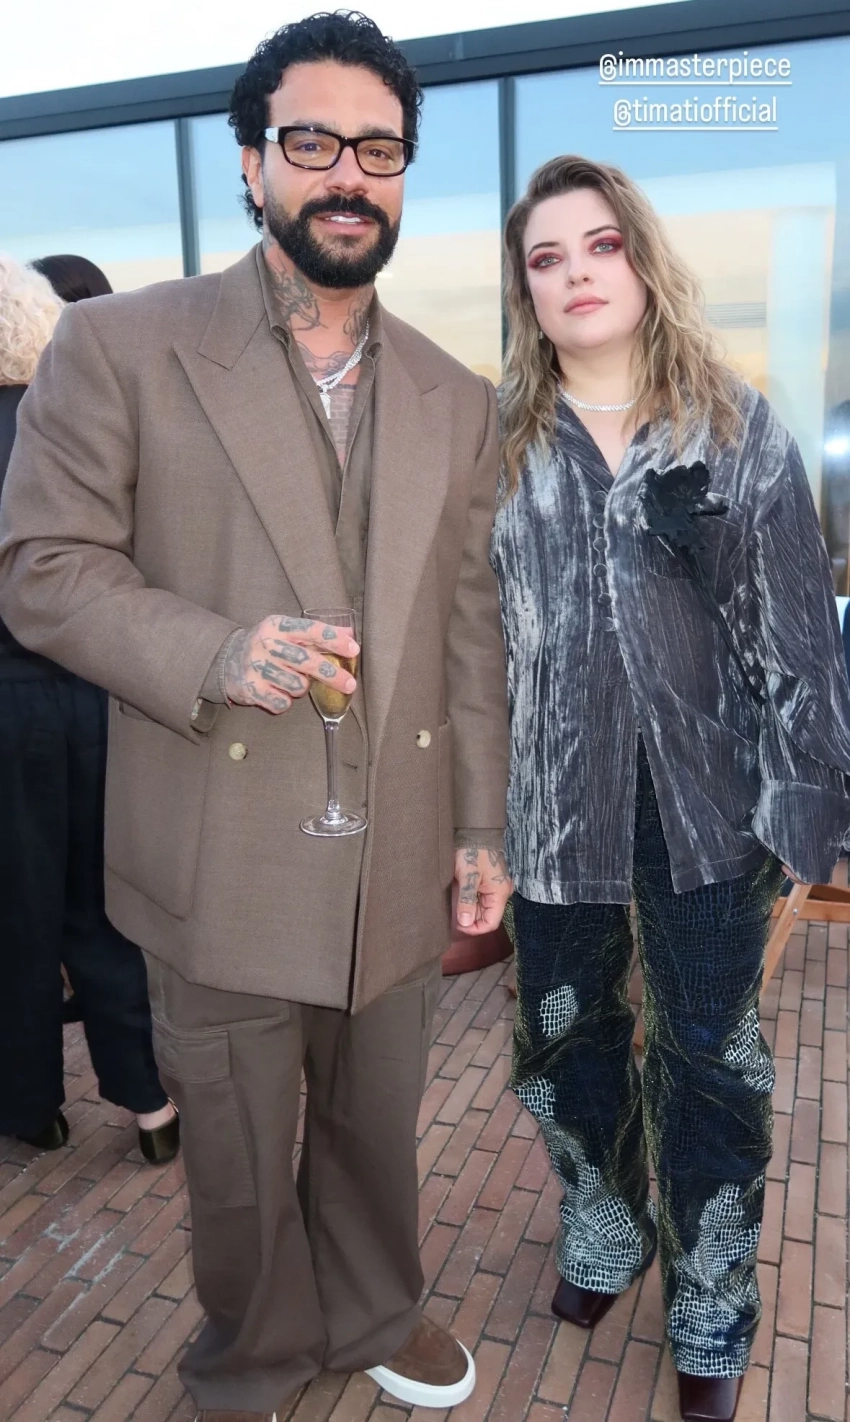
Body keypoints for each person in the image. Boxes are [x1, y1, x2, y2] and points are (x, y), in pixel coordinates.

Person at [0, 13, 511, 1421]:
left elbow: (470, 629)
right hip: (213, 838)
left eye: (378, 148)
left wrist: (481, 825)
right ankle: (253, 1352)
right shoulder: (120, 345)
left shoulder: (456, 395)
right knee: (229, 1144)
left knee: (374, 1120)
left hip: (396, 840)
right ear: (250, 162)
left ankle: (374, 1309)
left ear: (403, 171)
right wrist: (218, 651)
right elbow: (42, 567)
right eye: (312, 141)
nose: (347, 173)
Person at [490, 155, 850, 1422]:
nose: (576, 274)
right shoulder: (497, 446)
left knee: (708, 1057)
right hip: (553, 808)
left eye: (599, 245)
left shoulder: (733, 428)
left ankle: (711, 1288)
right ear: (526, 293)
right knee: (561, 1035)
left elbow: (798, 632)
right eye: (546, 259)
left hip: (708, 812)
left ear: (641, 261)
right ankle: (605, 1219)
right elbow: (474, 647)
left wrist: (808, 802)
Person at [0, 253, 179, 1164]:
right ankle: (150, 1104)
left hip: (8, 707)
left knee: (18, 913)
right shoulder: (77, 425)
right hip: (99, 690)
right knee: (104, 905)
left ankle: (32, 1105)